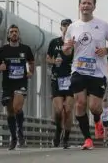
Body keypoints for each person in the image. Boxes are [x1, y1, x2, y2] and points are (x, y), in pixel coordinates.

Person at [63, 0, 108, 150]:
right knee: (80, 104)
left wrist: (107, 50)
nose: (85, 5)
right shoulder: (73, 27)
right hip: (78, 70)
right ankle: (88, 139)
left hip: (98, 72)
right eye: (83, 3)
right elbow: (66, 50)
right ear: (79, 6)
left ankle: (97, 119)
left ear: (94, 6)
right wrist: (67, 48)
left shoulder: (103, 25)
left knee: (95, 107)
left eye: (89, 3)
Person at [0, 24, 34, 150]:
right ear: (8, 35)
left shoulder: (26, 49)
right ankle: (13, 137)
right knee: (9, 111)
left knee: (17, 108)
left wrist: (31, 71)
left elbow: (31, 62)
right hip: (8, 84)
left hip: (21, 82)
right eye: (12, 32)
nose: (14, 33)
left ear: (19, 34)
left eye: (16, 31)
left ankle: (20, 131)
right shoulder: (2, 50)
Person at [46, 18, 74, 148]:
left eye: (69, 25)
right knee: (58, 110)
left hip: (71, 79)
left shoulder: (76, 44)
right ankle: (58, 131)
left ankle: (66, 138)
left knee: (68, 110)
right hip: (57, 78)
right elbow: (47, 58)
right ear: (61, 28)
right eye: (64, 25)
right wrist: (53, 62)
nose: (66, 27)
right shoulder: (54, 42)